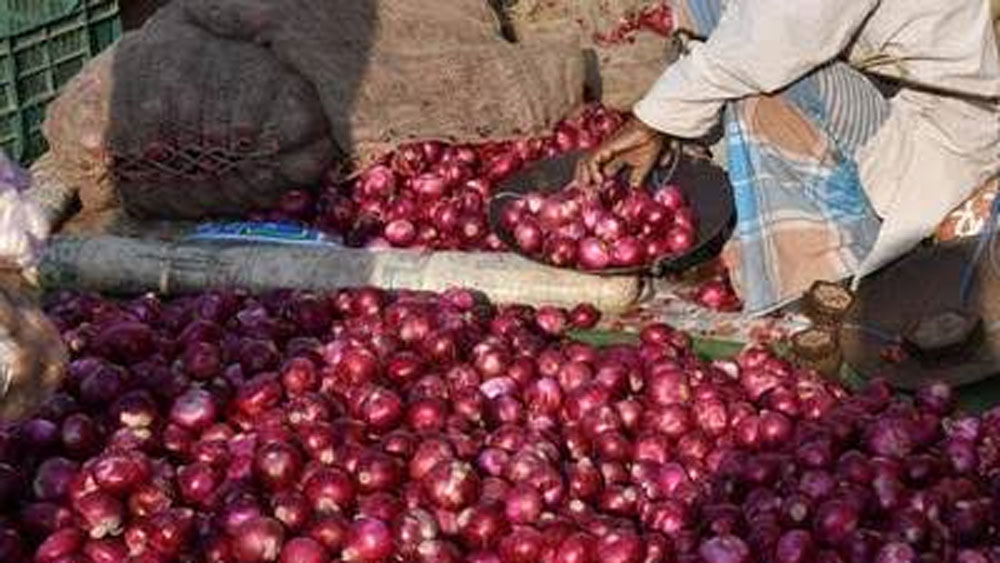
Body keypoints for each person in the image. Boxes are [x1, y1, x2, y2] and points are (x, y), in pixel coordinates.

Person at [578, 0, 1000, 316]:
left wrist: (653, 119)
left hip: (942, 111)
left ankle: (823, 276)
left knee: (762, 96)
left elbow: (773, 39)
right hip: (870, 70)